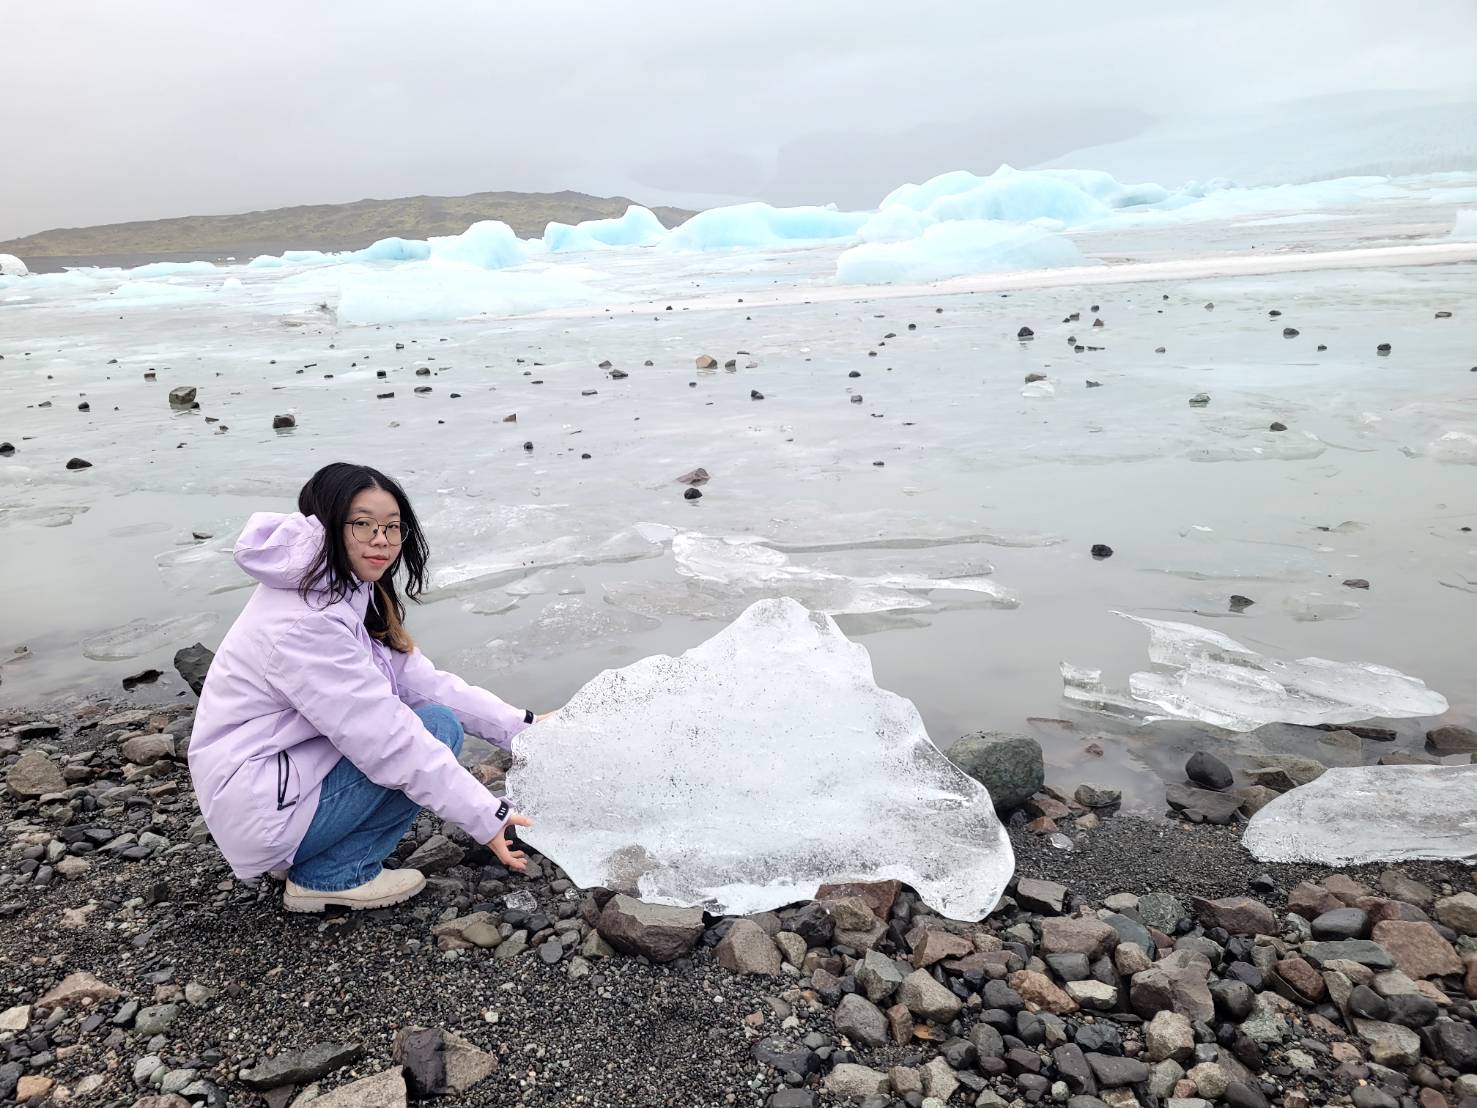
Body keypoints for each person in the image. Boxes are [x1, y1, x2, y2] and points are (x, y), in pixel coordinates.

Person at [188, 462, 545, 913]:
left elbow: (421, 683)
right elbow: (388, 739)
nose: (382, 539)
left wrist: (523, 727)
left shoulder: (340, 590)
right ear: (326, 524)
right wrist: (486, 816)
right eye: (363, 524)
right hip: (262, 807)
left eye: (392, 528)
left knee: (431, 717)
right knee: (434, 730)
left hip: (271, 786)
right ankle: (333, 876)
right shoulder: (306, 623)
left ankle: (311, 851)